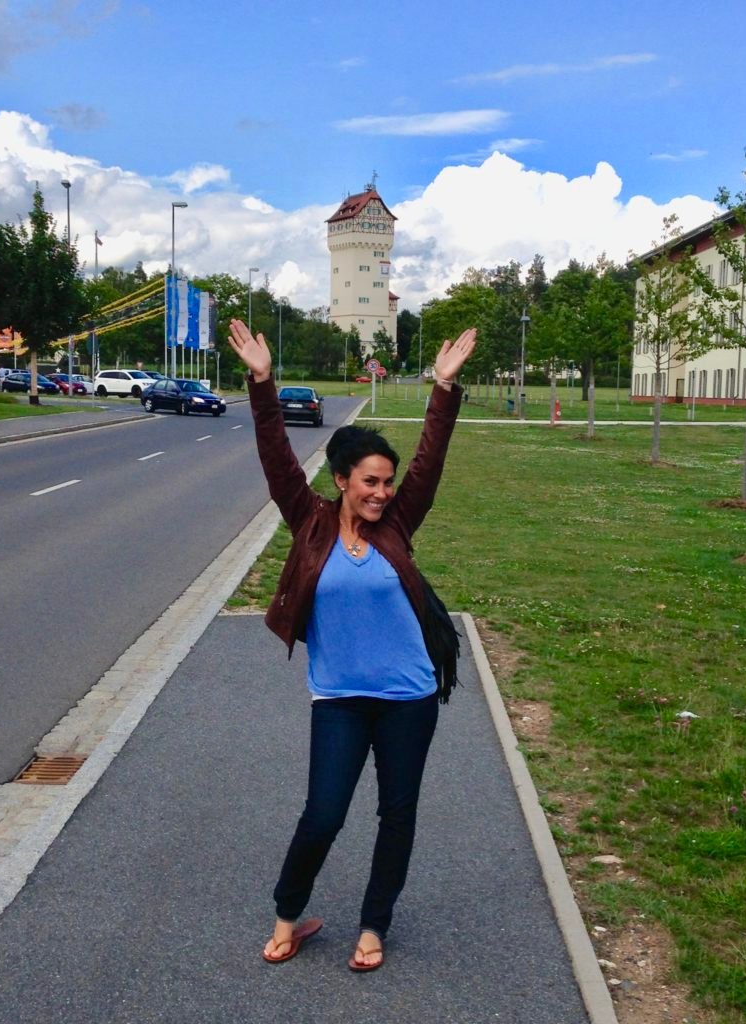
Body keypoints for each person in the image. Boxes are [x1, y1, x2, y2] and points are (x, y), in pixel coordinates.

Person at [228, 319, 476, 973]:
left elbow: (431, 459)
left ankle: (374, 926)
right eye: (369, 481)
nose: (382, 492)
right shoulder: (308, 522)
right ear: (341, 479)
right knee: (324, 815)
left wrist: (443, 390)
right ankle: (289, 915)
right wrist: (261, 382)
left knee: (397, 815)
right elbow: (276, 455)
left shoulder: (397, 522)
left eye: (387, 482)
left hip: (407, 697)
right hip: (338, 697)